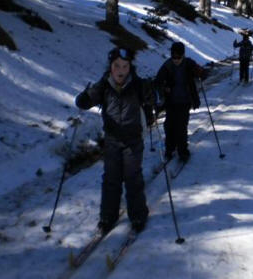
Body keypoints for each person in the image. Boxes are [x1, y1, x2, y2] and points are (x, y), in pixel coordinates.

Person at [75, 47, 154, 235]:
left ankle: (138, 215)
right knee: (111, 179)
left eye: (124, 66)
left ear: (130, 68)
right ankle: (107, 216)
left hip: (133, 141)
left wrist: (154, 95)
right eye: (117, 66)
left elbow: (153, 99)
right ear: (111, 67)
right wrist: (83, 98)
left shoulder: (137, 85)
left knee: (133, 178)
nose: (120, 70)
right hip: (112, 140)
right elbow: (86, 101)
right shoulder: (103, 85)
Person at [155, 42, 205, 163]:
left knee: (181, 127)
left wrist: (199, 72)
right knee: (169, 126)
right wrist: (164, 88)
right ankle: (169, 149)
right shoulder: (167, 65)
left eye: (178, 57)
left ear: (183, 55)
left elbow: (202, 73)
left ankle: (183, 151)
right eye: (173, 56)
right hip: (171, 101)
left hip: (185, 100)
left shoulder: (189, 63)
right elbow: (157, 81)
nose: (176, 59)